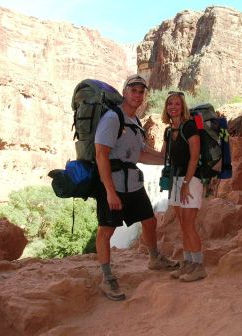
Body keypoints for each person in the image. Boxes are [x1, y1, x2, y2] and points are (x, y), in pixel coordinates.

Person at [94, 74, 178, 301]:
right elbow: (101, 154)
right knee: (106, 230)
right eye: (133, 90)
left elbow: (140, 154)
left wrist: (166, 160)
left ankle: (154, 258)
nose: (137, 95)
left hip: (132, 182)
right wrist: (110, 191)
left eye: (141, 91)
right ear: (125, 92)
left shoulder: (135, 122)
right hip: (111, 183)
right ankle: (107, 276)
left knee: (149, 221)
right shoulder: (113, 118)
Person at [161, 91, 207, 282]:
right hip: (175, 180)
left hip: (191, 179)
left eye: (177, 104)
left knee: (189, 224)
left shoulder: (189, 127)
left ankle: (199, 266)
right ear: (166, 107)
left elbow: (194, 157)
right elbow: (163, 155)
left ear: (183, 107)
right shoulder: (167, 130)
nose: (173, 107)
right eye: (170, 103)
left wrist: (186, 184)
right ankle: (188, 262)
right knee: (183, 225)